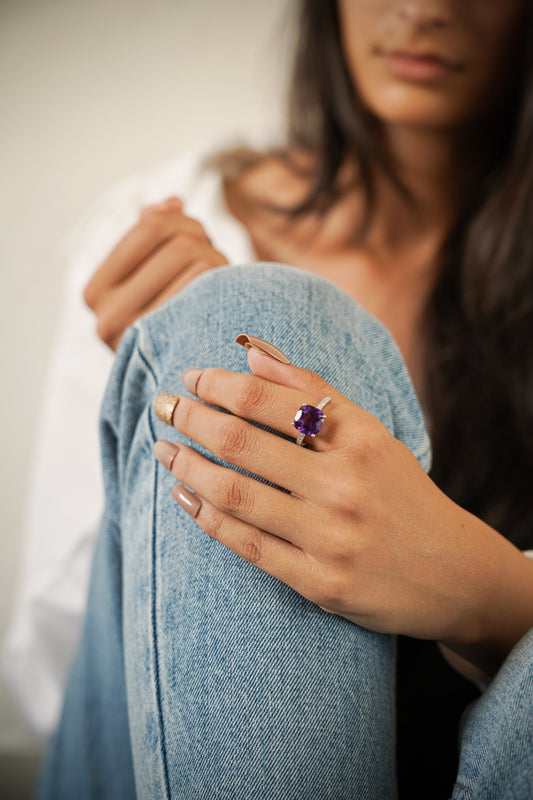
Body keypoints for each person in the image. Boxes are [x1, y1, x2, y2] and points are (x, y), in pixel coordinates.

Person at [13, 0, 533, 797]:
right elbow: (50, 688)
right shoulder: (168, 226)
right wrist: (172, 374)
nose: (424, 7)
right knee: (248, 315)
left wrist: (479, 588)